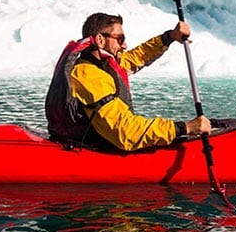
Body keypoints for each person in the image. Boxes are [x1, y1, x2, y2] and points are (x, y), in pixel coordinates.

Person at [46, 12, 212, 151]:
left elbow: (137, 56)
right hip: (95, 148)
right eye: (119, 38)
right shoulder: (89, 76)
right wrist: (185, 128)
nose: (124, 45)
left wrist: (169, 37)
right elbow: (124, 131)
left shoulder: (103, 64)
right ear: (100, 40)